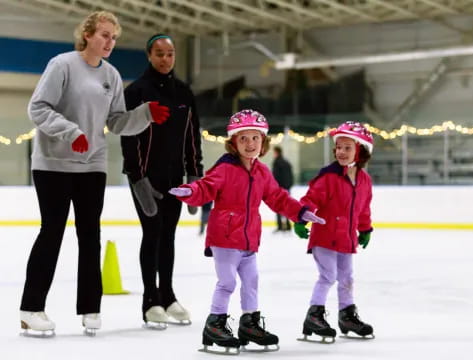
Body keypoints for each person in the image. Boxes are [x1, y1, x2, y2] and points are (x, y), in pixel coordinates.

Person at [19, 11, 169, 336]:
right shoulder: (62, 65)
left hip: (93, 164)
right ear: (87, 34)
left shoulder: (112, 75)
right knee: (52, 232)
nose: (109, 42)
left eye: (114, 37)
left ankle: (90, 307)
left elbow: (115, 122)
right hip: (54, 164)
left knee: (90, 237)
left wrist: (144, 115)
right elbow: (38, 107)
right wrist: (71, 132)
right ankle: (31, 309)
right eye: (104, 35)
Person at [168, 109, 326, 354]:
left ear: (263, 142)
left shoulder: (261, 171)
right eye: (243, 138)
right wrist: (190, 192)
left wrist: (301, 212)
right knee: (227, 282)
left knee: (251, 281)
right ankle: (215, 324)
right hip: (224, 237)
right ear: (233, 143)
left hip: (249, 239)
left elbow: (277, 197)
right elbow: (206, 187)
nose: (250, 144)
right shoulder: (225, 169)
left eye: (255, 138)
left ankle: (249, 323)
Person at [120, 34, 203, 327]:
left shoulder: (184, 93)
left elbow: (193, 137)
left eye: (170, 53)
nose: (165, 59)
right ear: (149, 55)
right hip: (145, 178)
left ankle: (168, 295)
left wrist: (195, 175)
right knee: (152, 233)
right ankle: (150, 300)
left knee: (168, 236)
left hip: (175, 178)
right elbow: (128, 138)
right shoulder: (137, 91)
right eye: (159, 53)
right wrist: (137, 177)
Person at [294, 121, 375, 342]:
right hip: (324, 236)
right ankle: (314, 315)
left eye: (347, 147)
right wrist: (301, 216)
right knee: (328, 276)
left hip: (346, 239)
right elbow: (311, 199)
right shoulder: (329, 177)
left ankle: (347, 316)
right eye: (338, 147)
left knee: (347, 277)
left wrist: (365, 229)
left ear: (361, 150)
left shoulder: (364, 181)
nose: (340, 151)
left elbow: (363, 209)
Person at [272, 146, 294, 232]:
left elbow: (275, 176)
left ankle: (280, 225)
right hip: (287, 188)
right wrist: (289, 186)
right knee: (286, 206)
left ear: (277, 152)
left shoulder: (277, 163)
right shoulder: (286, 162)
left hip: (279, 188)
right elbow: (291, 176)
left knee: (278, 207)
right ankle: (288, 225)